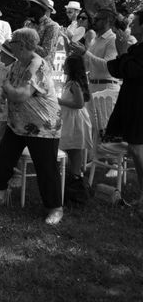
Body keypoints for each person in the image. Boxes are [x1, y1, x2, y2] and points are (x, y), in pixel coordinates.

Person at [0, 28, 64, 225]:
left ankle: (55, 209)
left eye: (14, 43)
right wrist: (6, 90)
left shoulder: (38, 66)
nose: (11, 46)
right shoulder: (19, 64)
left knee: (46, 168)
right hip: (18, 123)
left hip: (43, 126)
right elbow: (9, 85)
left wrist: (7, 89)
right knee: (3, 158)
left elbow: (19, 94)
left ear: (23, 45)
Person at [78, 10, 143, 207]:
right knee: (135, 148)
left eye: (135, 23)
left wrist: (122, 51)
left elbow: (128, 70)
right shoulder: (137, 48)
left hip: (140, 104)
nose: (131, 26)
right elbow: (117, 68)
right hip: (132, 102)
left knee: (137, 149)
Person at [57, 54, 92, 203]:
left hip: (75, 120)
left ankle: (76, 178)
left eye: (66, 65)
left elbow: (79, 104)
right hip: (69, 118)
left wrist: (60, 101)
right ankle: (73, 176)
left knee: (74, 148)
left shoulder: (74, 84)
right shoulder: (70, 82)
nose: (63, 67)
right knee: (71, 148)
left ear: (72, 68)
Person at [24, 0, 60, 66]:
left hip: (41, 70)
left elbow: (44, 52)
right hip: (25, 65)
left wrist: (25, 41)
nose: (28, 8)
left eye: (32, 6)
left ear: (40, 9)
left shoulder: (52, 26)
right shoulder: (28, 24)